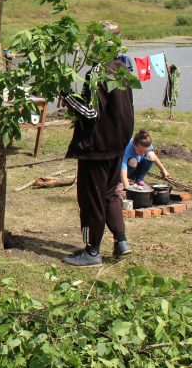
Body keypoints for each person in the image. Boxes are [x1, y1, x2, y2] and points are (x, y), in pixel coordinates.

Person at [62, 20, 134, 267]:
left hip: (97, 147)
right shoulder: (122, 68)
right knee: (109, 194)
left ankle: (92, 251)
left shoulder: (97, 72)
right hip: (117, 145)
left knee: (90, 199)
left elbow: (91, 112)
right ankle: (121, 241)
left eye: (93, 41)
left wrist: (67, 97)